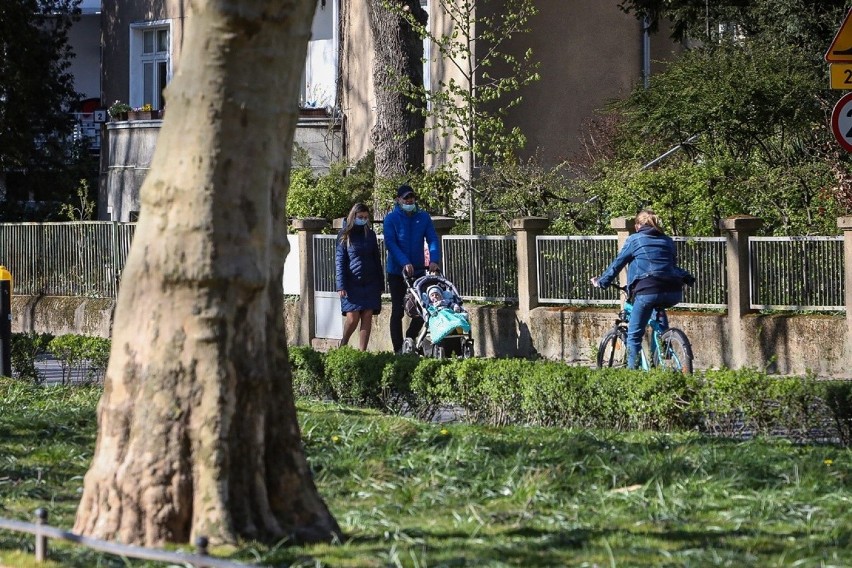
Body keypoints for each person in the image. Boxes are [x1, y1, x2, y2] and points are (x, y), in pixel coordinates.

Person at [590, 210, 685, 369]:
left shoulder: (634, 239)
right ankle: (663, 351)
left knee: (634, 335)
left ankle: (632, 376)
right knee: (657, 309)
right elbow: (671, 266)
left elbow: (617, 264)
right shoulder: (667, 240)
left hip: (647, 290)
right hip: (673, 291)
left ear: (637, 226)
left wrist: (602, 281)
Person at [384, 184, 441, 353]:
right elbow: (391, 243)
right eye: (406, 198)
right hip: (397, 271)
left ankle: (409, 338)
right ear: (398, 200)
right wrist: (404, 262)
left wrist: (434, 259)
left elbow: (432, 239)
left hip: (418, 271)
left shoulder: (423, 217)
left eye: (411, 197)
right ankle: (397, 349)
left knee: (422, 309)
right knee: (398, 310)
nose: (409, 200)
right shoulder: (391, 219)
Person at [336, 203, 384, 350]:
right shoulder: (344, 235)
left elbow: (377, 259)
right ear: (353, 216)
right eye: (360, 217)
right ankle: (343, 344)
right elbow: (340, 261)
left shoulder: (370, 235)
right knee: (353, 317)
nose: (363, 219)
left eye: (365, 217)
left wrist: (381, 283)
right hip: (351, 283)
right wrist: (341, 285)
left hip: (370, 282)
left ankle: (362, 352)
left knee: (368, 315)